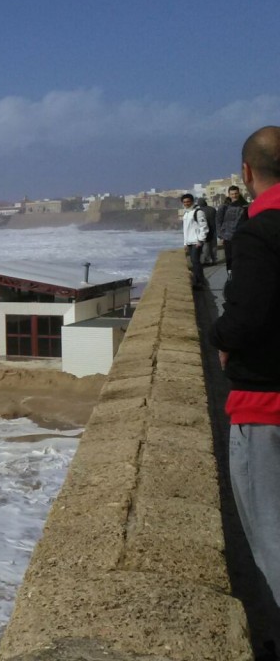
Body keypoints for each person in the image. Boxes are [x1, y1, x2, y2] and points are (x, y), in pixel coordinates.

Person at [210, 125, 280, 617]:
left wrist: (221, 339)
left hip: (266, 406)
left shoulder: (260, 230)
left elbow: (248, 313)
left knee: (273, 541)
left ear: (247, 172)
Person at [216, 184, 250, 273]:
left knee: (240, 256)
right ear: (229, 194)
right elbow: (218, 222)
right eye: (232, 194)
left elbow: (248, 221)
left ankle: (240, 275)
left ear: (239, 193)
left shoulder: (245, 206)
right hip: (227, 236)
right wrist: (220, 236)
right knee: (229, 257)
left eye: (236, 193)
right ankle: (230, 275)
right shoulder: (224, 207)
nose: (234, 196)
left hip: (241, 236)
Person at [180, 192, 208, 289]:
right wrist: (185, 243)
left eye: (188, 201)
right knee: (193, 261)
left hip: (197, 242)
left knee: (196, 262)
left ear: (192, 201)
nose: (186, 203)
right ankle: (197, 281)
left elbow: (204, 227)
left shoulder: (198, 212)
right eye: (184, 202)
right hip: (189, 242)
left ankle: (201, 282)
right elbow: (185, 230)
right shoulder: (186, 213)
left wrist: (200, 240)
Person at [199, 197, 218, 266]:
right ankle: (214, 260)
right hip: (213, 230)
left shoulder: (199, 211)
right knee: (213, 246)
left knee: (205, 247)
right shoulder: (212, 209)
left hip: (205, 231)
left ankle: (207, 261)